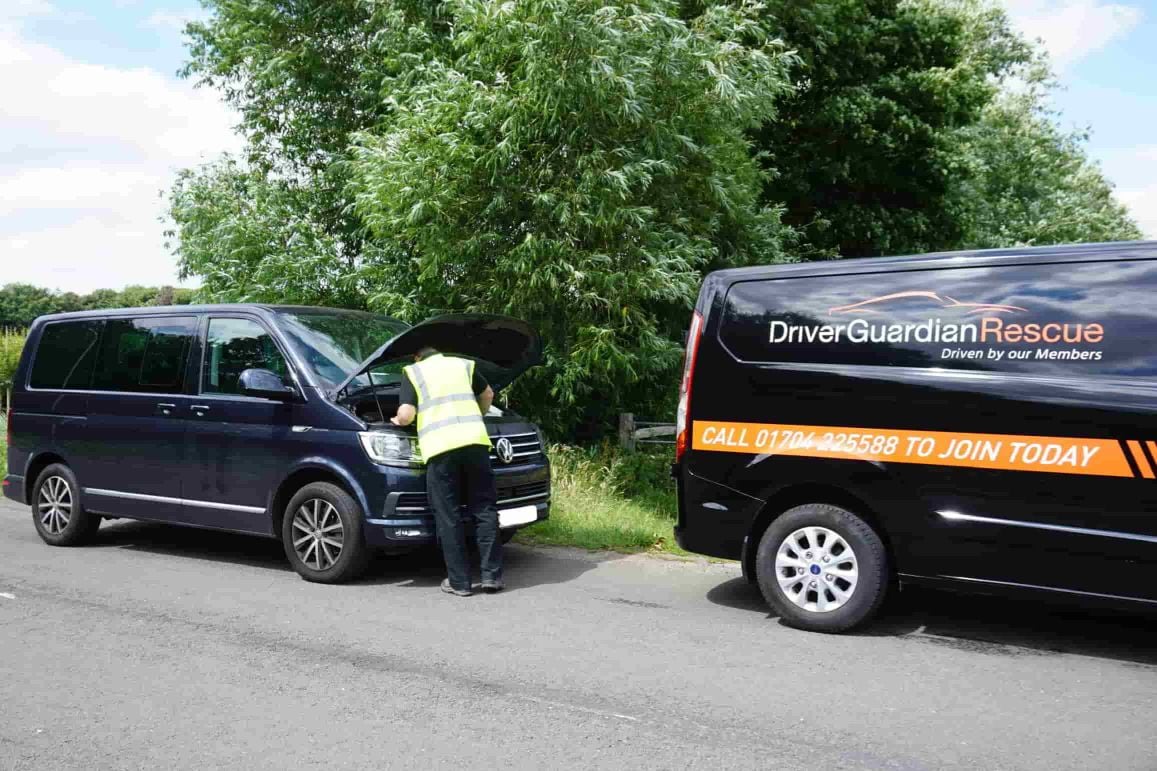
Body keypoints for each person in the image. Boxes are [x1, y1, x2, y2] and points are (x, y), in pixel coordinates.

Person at [392, 346, 502, 596]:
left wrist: (399, 421)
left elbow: (407, 414)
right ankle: (491, 577)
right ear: (438, 353)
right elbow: (487, 394)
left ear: (417, 356)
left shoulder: (414, 371)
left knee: (448, 515)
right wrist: (478, 416)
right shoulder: (462, 364)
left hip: (442, 449)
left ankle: (460, 583)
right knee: (484, 509)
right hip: (475, 443)